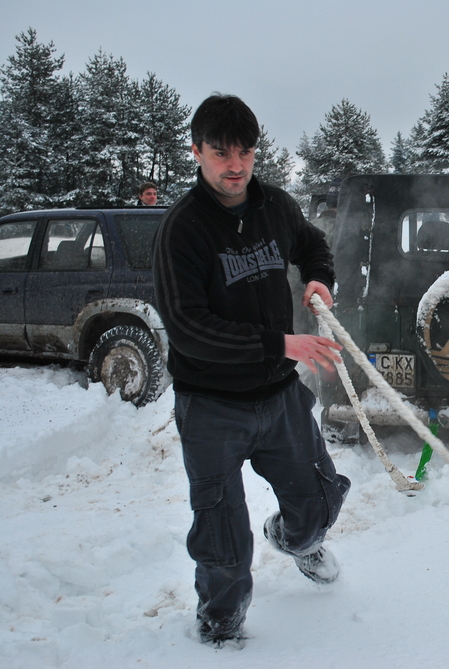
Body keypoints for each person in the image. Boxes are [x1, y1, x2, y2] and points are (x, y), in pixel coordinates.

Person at [152, 94, 351, 648]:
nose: (234, 165)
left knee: (316, 502)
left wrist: (317, 278)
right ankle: (220, 629)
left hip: (279, 396)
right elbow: (189, 326)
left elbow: (312, 244)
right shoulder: (183, 229)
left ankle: (295, 540)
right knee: (222, 537)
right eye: (220, 153)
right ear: (196, 152)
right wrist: (280, 343)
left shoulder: (276, 206)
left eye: (244, 152)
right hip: (210, 404)